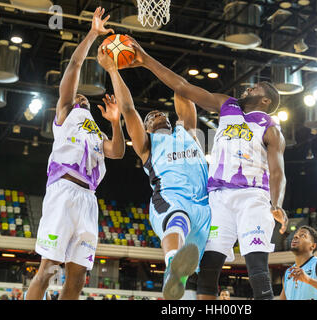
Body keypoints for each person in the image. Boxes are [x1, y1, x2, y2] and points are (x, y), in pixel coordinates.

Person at [121, 36, 288, 301]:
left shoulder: (270, 127)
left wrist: (276, 203)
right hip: (218, 200)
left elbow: (277, 170)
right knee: (208, 274)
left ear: (266, 101)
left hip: (252, 197)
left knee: (257, 269)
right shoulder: (227, 105)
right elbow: (182, 87)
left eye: (254, 88)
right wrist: (144, 60)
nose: (246, 89)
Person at [97, 48, 211, 300]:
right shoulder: (147, 145)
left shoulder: (188, 131)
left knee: (205, 277)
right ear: (146, 128)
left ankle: (181, 275)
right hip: (171, 199)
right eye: (149, 117)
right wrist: (113, 70)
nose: (156, 115)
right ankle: (172, 267)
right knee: (177, 221)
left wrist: (158, 68)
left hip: (206, 207)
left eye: (160, 113)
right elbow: (128, 109)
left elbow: (182, 90)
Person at [26, 7, 125, 300]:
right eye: (77, 95)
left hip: (88, 200)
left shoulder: (96, 132)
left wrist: (116, 123)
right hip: (64, 190)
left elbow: (117, 153)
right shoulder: (65, 114)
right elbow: (74, 66)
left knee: (78, 276)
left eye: (84, 97)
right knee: (47, 270)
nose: (80, 96)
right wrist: (93, 34)